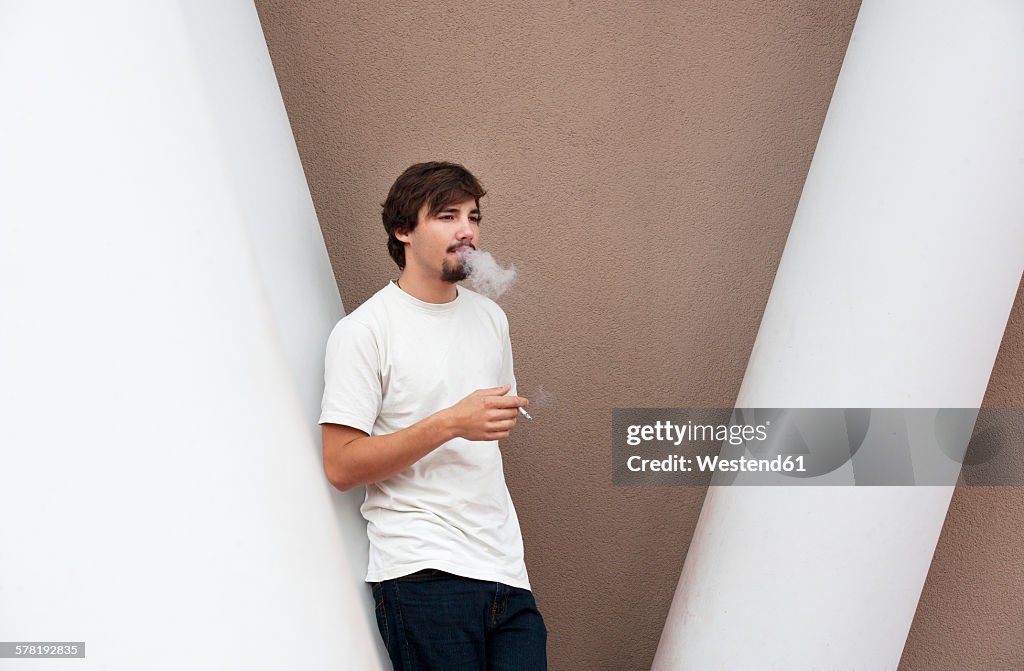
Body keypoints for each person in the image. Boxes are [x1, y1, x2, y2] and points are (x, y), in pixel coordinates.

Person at [319, 161, 548, 670]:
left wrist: (483, 421)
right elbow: (341, 465)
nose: (467, 229)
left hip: (506, 571)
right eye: (447, 216)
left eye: (473, 215)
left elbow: (483, 429)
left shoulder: (490, 318)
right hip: (423, 572)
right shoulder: (364, 332)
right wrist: (450, 422)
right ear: (403, 230)